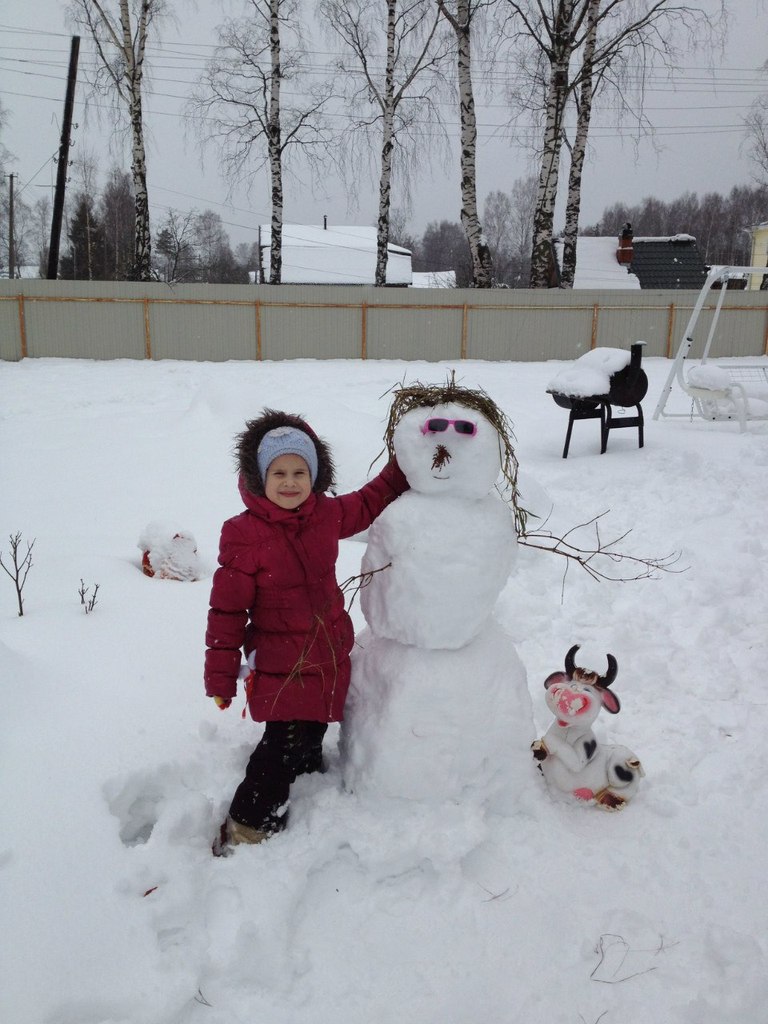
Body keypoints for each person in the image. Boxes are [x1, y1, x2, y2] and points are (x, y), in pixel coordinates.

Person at [205, 408, 408, 849]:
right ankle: (249, 821)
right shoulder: (243, 534)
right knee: (280, 745)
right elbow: (226, 612)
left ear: (314, 476)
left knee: (313, 726)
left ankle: (307, 769)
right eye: (279, 473)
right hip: (280, 663)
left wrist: (405, 463)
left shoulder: (325, 515)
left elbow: (369, 501)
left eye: (300, 472)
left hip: (325, 651)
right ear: (260, 477)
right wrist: (220, 676)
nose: (290, 483)